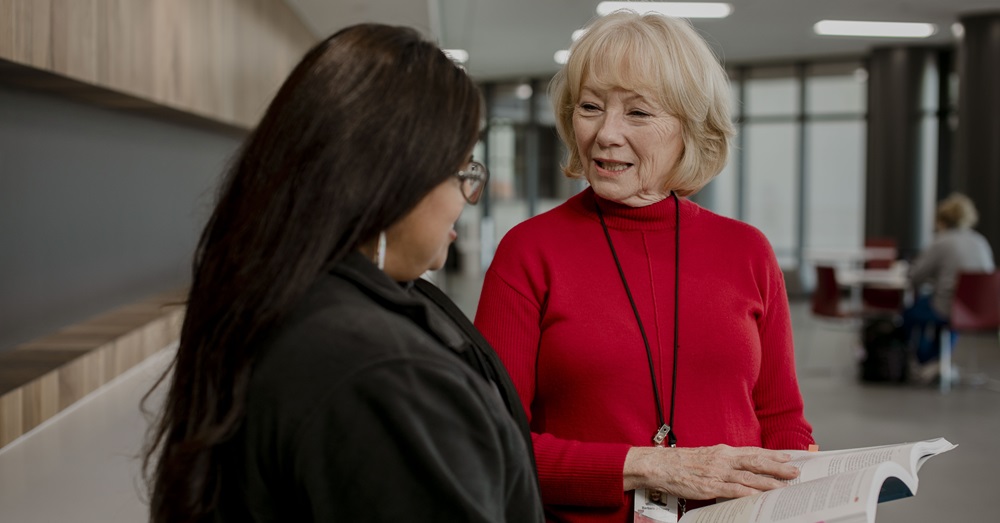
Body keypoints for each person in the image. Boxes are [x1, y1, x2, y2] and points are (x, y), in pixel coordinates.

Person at [142, 23, 543, 522]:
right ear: (390, 179)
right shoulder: (382, 372)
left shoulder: (279, 292)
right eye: (460, 172)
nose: (465, 197)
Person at [473, 11, 812, 522]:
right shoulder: (528, 252)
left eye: (637, 113)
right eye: (590, 107)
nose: (606, 134)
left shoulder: (747, 251)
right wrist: (647, 467)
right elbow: (492, 443)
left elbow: (782, 419)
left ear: (690, 128)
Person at [905, 192, 995, 369]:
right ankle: (938, 361)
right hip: (978, 309)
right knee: (950, 318)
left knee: (909, 314)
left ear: (941, 220)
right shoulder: (980, 241)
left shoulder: (942, 242)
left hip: (948, 307)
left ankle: (925, 359)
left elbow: (915, 276)